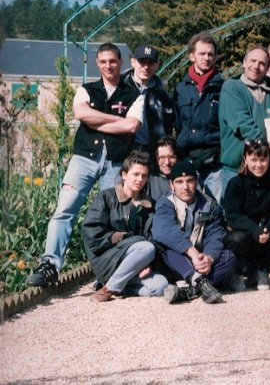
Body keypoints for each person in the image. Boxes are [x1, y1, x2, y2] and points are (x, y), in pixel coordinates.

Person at [26, 43, 145, 287]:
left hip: (115, 161)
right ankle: (50, 264)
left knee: (112, 217)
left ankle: (107, 269)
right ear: (97, 64)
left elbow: (132, 125)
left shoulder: (135, 94)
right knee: (65, 210)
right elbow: (81, 114)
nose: (108, 66)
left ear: (121, 62)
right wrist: (117, 121)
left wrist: (96, 119)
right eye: (103, 61)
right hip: (84, 159)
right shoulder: (86, 89)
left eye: (112, 61)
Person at [82, 151, 168, 302]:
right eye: (136, 174)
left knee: (161, 285)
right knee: (146, 248)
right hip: (108, 259)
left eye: (144, 176)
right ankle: (109, 289)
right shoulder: (106, 197)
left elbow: (155, 239)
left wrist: (147, 263)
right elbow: (91, 233)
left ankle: (118, 286)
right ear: (124, 175)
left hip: (136, 263)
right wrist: (115, 237)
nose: (140, 179)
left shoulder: (150, 205)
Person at [152, 160, 235, 304]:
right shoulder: (165, 202)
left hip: (200, 262)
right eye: (179, 182)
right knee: (164, 246)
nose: (185, 187)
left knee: (229, 257)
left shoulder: (209, 204)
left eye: (189, 181)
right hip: (176, 261)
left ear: (196, 182)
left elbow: (215, 234)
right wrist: (192, 253)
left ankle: (190, 290)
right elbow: (164, 231)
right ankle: (200, 281)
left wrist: (209, 258)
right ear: (171, 185)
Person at [222, 138, 270, 291]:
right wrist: (255, 230)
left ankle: (264, 269)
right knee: (236, 239)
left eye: (262, 160)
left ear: (269, 160)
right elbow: (233, 216)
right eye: (253, 160)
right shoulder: (235, 183)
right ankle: (238, 272)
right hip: (247, 233)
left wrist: (267, 229)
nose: (258, 165)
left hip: (268, 234)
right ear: (245, 159)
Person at [218, 46, 270, 199]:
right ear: (244, 62)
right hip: (236, 170)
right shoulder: (231, 87)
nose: (256, 66)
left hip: (266, 171)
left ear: (267, 68)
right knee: (233, 212)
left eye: (262, 63)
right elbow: (241, 122)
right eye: (252, 61)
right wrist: (266, 146)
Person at [172, 33, 223, 198]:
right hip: (188, 159)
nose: (206, 58)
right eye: (202, 53)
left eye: (210, 54)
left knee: (216, 207)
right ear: (192, 56)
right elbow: (177, 124)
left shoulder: (223, 87)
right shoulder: (181, 89)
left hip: (215, 162)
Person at [126, 44, 174, 158]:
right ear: (133, 62)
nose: (146, 67)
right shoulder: (121, 88)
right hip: (125, 150)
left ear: (157, 65)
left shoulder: (162, 94)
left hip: (151, 151)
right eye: (142, 62)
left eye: (151, 63)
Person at [145, 136, 178, 201]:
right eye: (162, 157)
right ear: (156, 159)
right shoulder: (148, 180)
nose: (167, 162)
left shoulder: (186, 178)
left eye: (171, 157)